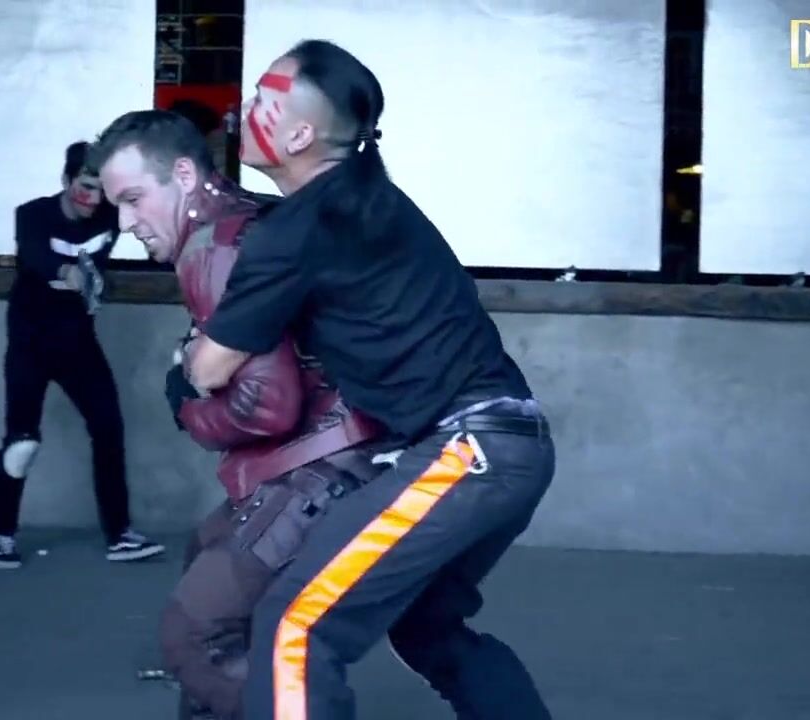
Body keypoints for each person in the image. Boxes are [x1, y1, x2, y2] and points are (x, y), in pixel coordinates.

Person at [108, 40, 557, 719]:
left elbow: (212, 368)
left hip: (470, 452)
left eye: (262, 101)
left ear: (299, 136)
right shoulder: (361, 199)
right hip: (510, 444)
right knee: (425, 627)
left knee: (295, 629)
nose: (242, 110)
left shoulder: (296, 229)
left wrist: (184, 369)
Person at [89, 109, 388, 719]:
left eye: (134, 199)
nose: (124, 223)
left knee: (195, 635)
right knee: (207, 557)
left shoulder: (214, 248)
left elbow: (266, 409)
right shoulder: (251, 220)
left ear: (183, 175)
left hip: (324, 463)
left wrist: (187, 405)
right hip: (342, 454)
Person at [0, 141, 164, 568]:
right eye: (86, 187)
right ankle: (3, 533)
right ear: (66, 181)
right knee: (21, 441)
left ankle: (119, 534)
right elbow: (35, 255)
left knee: (108, 429)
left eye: (102, 189)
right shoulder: (33, 214)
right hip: (30, 340)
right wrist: (69, 272)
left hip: (78, 341)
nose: (94, 199)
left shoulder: (110, 217)